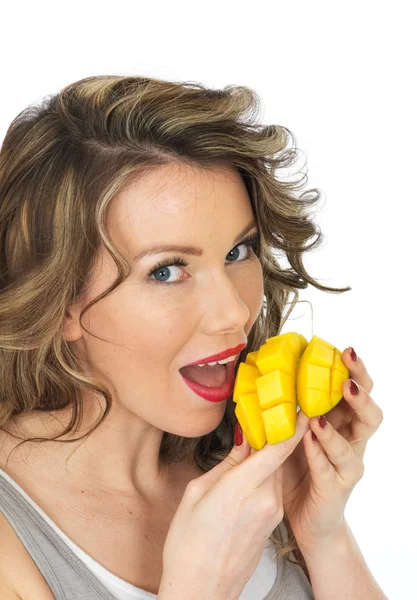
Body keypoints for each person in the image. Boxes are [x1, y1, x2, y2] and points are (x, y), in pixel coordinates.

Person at [0, 75, 388, 599]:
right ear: (60, 300)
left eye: (238, 252)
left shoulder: (249, 465)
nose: (233, 313)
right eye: (166, 270)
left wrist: (321, 531)